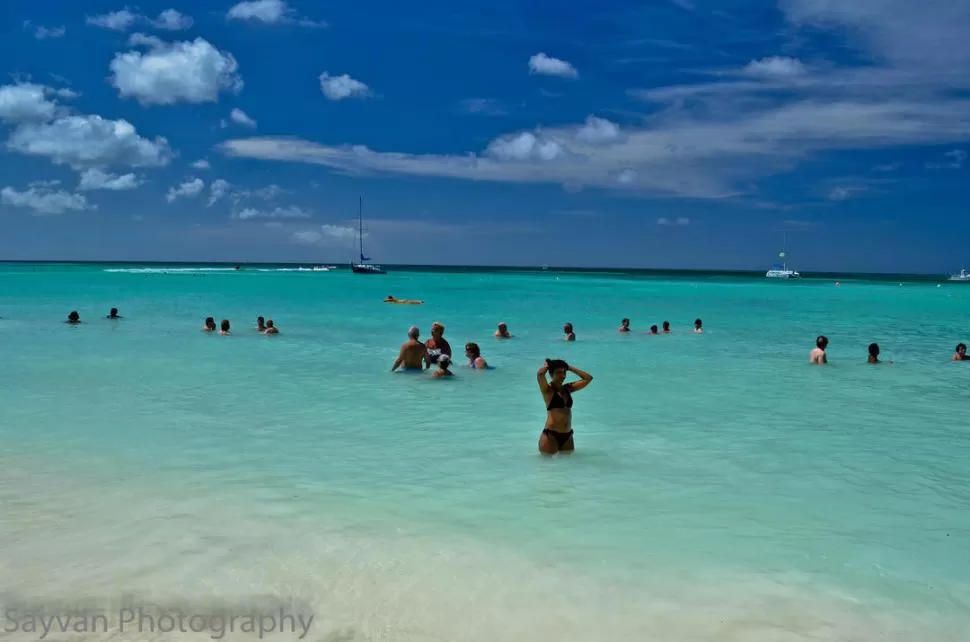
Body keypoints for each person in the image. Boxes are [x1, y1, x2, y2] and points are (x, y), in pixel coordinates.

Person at [536, 359, 593, 455]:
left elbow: (588, 378)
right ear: (551, 374)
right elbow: (540, 374)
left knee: (568, 467)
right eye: (558, 372)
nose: (562, 375)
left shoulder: (568, 388)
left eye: (564, 372)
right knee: (547, 468)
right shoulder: (547, 390)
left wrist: (569, 367)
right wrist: (547, 366)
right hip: (551, 435)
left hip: (567, 435)